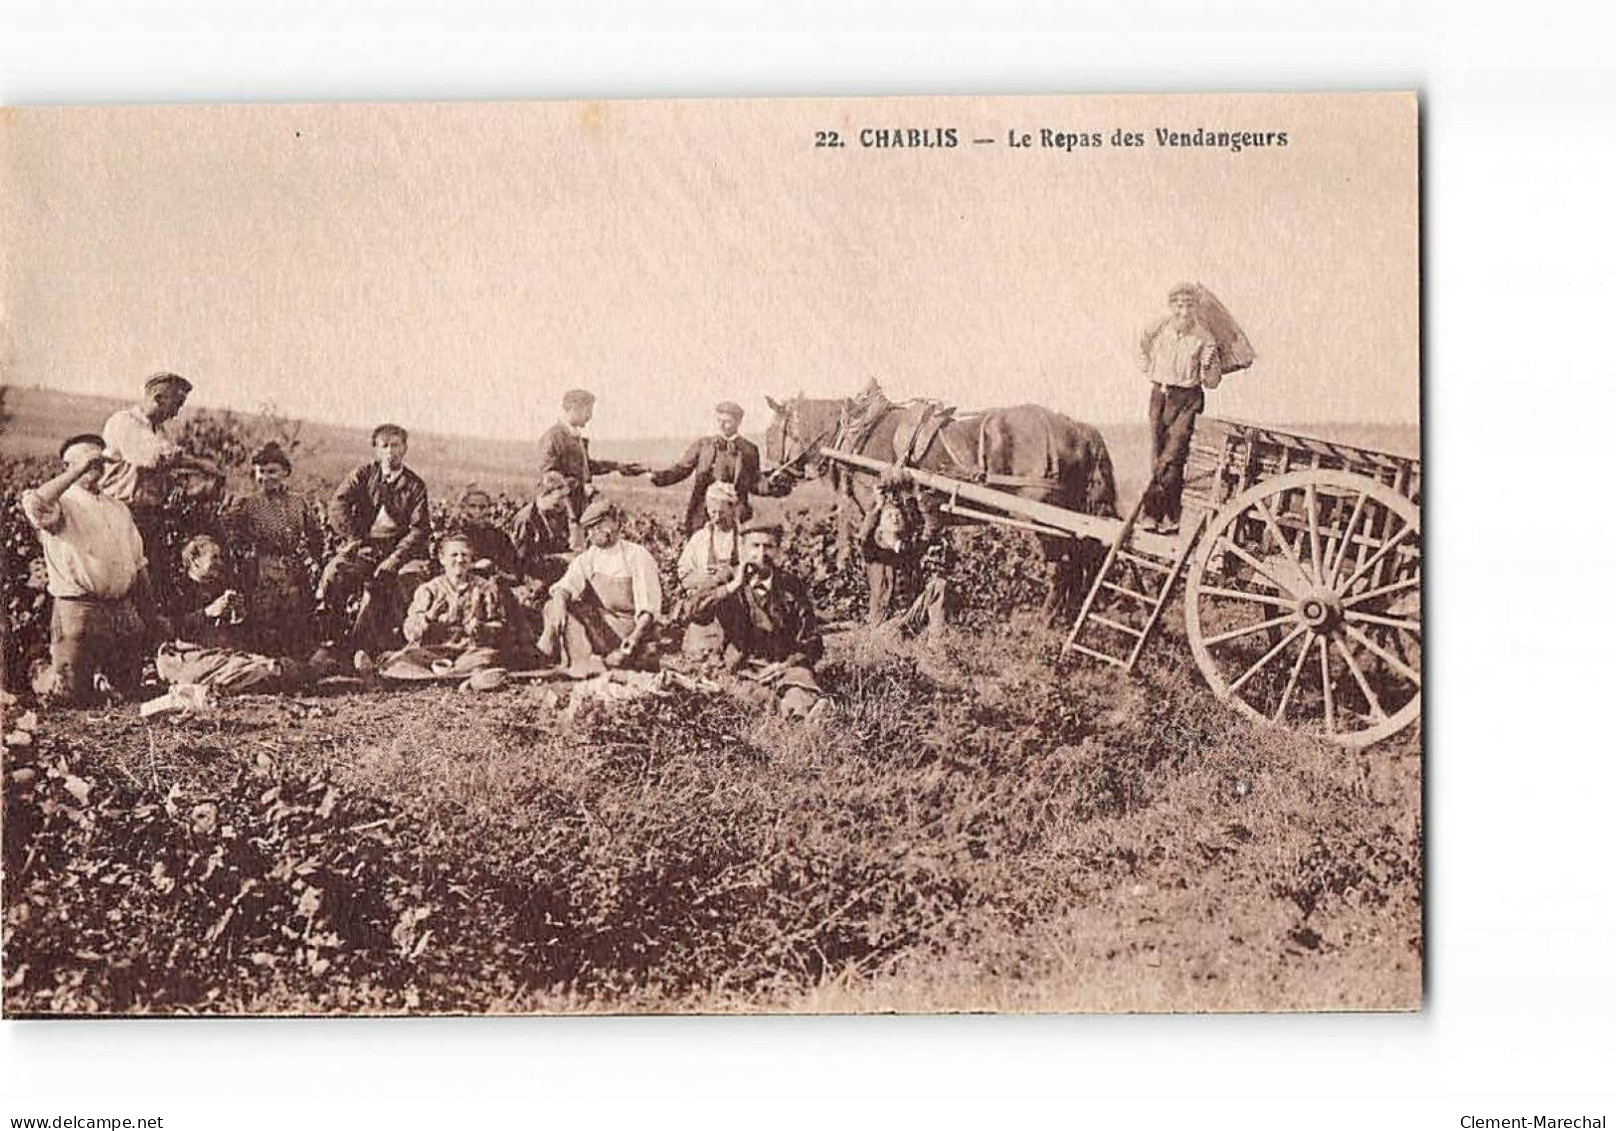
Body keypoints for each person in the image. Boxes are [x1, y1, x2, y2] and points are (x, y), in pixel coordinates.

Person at [21, 433, 166, 706]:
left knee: (128, 691)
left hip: (120, 611)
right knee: (71, 696)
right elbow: (34, 504)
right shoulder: (61, 504)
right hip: (79, 610)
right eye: (88, 460)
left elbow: (138, 564)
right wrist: (79, 468)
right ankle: (38, 669)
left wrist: (151, 615)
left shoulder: (118, 508)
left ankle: (101, 679)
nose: (95, 465)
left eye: (99, 460)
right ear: (68, 466)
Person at [691, 518, 830, 720]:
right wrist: (732, 587)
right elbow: (693, 611)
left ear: (778, 550)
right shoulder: (727, 578)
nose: (761, 553)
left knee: (800, 685)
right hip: (742, 668)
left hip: (783, 666)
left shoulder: (790, 585)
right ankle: (790, 715)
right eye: (755, 546)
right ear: (743, 548)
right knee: (756, 697)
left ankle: (806, 713)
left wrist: (785, 664)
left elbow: (811, 640)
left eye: (769, 546)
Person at [315, 423, 432, 657]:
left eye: (396, 445)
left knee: (405, 579)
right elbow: (338, 505)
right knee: (334, 572)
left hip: (402, 551)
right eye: (384, 446)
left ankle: (393, 644)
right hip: (365, 546)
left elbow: (418, 530)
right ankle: (332, 636)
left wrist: (395, 559)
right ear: (376, 450)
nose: (390, 451)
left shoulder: (415, 485)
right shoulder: (363, 475)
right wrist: (355, 538)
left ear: (405, 449)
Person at [99, 372, 220, 565]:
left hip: (149, 516)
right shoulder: (124, 422)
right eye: (175, 405)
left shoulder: (160, 431)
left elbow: (166, 472)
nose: (175, 414)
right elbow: (157, 458)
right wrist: (201, 465)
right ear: (158, 398)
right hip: (119, 512)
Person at [536, 497, 662, 672]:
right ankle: (574, 659)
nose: (594, 532)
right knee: (554, 605)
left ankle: (588, 663)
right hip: (601, 628)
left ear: (616, 523)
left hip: (629, 631)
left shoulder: (636, 555)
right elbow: (566, 585)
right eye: (590, 529)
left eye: (600, 525)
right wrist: (559, 602)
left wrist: (633, 639)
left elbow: (648, 609)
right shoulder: (589, 558)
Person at [1137, 283, 1223, 535]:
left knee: (1171, 457)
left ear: (1195, 308)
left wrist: (1209, 365)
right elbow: (1140, 347)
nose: (1183, 311)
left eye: (1188, 305)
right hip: (1159, 395)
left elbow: (1212, 382)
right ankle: (1173, 517)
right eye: (1178, 305)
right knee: (1160, 457)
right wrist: (1149, 369)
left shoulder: (1205, 337)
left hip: (1187, 399)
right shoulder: (1158, 328)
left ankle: (1150, 514)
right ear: (1171, 306)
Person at [224, 441, 323, 657]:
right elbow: (231, 536)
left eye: (272, 471)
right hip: (262, 568)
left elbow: (315, 533)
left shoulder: (299, 502)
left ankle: (295, 667)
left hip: (293, 568)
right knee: (264, 621)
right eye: (261, 472)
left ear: (285, 472)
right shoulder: (247, 504)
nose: (266, 477)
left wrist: (314, 560)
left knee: (295, 619)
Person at [378, 535, 509, 679]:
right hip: (432, 653)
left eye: (464, 555)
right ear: (442, 559)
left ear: (471, 559)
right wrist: (429, 617)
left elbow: (500, 627)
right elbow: (410, 632)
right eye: (454, 555)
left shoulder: (486, 589)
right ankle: (463, 677)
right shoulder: (428, 590)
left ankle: (433, 677)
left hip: (469, 652)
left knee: (488, 658)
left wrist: (483, 627)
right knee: (402, 659)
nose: (460, 560)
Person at [651, 400, 783, 533]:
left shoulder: (749, 450)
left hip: (735, 514)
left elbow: (754, 482)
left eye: (727, 421)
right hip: (703, 513)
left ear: (738, 422)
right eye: (719, 420)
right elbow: (681, 470)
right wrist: (657, 477)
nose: (722, 425)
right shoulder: (703, 445)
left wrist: (772, 485)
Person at [533, 389, 647, 541]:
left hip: (577, 510)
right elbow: (550, 476)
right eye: (588, 411)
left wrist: (618, 467)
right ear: (574, 408)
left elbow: (586, 467)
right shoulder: (553, 437)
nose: (590, 416)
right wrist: (580, 486)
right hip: (561, 514)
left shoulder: (574, 436)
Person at [858, 472, 953, 638]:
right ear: (880, 527)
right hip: (886, 622)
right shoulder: (873, 554)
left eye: (897, 516)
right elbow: (864, 536)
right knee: (894, 640)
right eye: (889, 516)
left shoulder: (910, 550)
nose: (894, 519)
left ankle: (937, 644)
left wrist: (919, 497)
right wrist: (878, 505)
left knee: (939, 585)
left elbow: (931, 530)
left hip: (911, 617)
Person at [675, 481, 742, 660]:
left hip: (739, 611)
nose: (717, 517)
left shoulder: (744, 539)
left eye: (722, 512)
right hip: (707, 613)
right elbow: (685, 576)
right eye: (712, 512)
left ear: (733, 509)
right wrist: (708, 578)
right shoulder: (700, 539)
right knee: (699, 657)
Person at [508, 471, 575, 589]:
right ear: (545, 494)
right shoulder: (525, 519)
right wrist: (561, 558)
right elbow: (521, 561)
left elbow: (562, 545)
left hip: (554, 573)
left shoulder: (556, 514)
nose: (564, 502)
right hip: (532, 582)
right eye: (560, 497)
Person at [450, 486, 518, 581]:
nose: (478, 511)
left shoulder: (500, 537)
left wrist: (495, 570)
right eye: (472, 506)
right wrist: (474, 566)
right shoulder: (453, 537)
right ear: (463, 508)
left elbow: (515, 572)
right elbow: (445, 569)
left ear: (489, 509)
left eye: (482, 507)